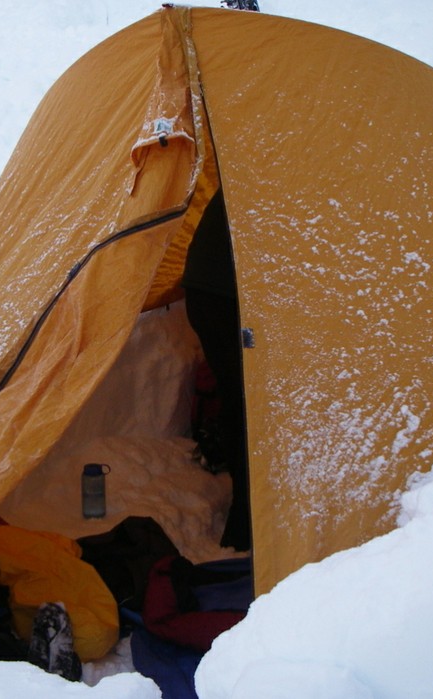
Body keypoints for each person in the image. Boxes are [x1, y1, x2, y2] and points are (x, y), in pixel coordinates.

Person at [181, 188, 251, 552]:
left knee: (238, 399)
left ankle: (245, 518)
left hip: (209, 287)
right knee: (247, 404)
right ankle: (246, 522)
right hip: (222, 292)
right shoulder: (292, 163)